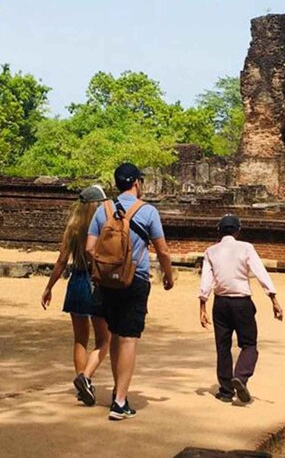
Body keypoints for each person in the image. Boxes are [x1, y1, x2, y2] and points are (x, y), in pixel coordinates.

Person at [86, 163, 175, 421]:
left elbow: (90, 247)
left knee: (114, 335)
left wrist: (109, 264)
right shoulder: (147, 211)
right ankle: (120, 401)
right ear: (137, 182)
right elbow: (163, 251)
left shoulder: (103, 210)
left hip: (106, 281)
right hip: (134, 279)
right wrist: (168, 276)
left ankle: (118, 392)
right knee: (128, 338)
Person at [199, 215, 283, 405]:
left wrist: (202, 305)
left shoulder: (211, 251)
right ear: (238, 231)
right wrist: (273, 298)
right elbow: (260, 272)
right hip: (242, 302)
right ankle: (241, 376)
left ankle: (226, 391)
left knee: (223, 347)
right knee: (249, 344)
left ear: (219, 231)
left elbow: (206, 279)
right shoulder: (246, 247)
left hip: (220, 303)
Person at [41, 185, 111, 407]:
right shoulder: (104, 225)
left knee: (80, 339)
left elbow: (62, 261)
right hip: (96, 282)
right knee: (103, 339)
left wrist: (49, 287)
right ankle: (85, 378)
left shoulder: (72, 228)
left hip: (77, 282)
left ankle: (83, 385)